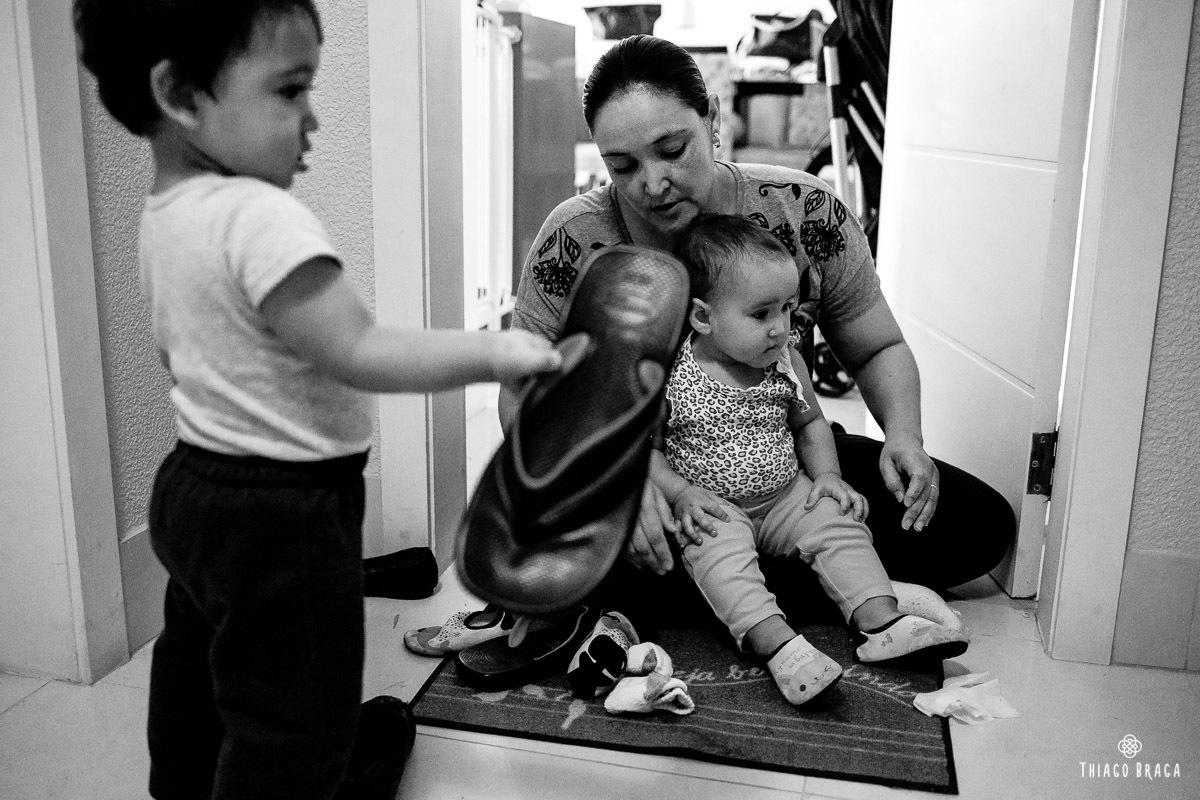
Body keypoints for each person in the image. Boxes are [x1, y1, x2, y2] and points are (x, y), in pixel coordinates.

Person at [73, 2, 560, 798]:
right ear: (179, 93)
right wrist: (501, 348)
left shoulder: (166, 215)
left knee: (198, 666)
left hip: (194, 489)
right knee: (295, 721)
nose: (314, 118)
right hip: (282, 516)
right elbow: (360, 349)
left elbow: (180, 353)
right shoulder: (258, 216)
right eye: (291, 90)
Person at [502, 34, 1013, 609]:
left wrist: (903, 435)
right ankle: (817, 582)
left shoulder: (805, 209)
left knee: (980, 527)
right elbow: (523, 393)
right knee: (539, 537)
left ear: (712, 119)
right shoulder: (575, 237)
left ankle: (722, 589)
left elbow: (875, 348)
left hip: (782, 458)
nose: (652, 183)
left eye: (672, 150)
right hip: (643, 469)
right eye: (622, 166)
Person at [660, 214, 967, 705]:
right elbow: (645, 452)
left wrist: (827, 477)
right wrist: (680, 493)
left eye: (786, 308)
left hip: (787, 494)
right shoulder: (674, 372)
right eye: (761, 315)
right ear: (703, 318)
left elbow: (810, 424)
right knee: (721, 565)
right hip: (715, 507)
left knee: (841, 526)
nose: (781, 328)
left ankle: (880, 621)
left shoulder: (785, 359)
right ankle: (781, 648)